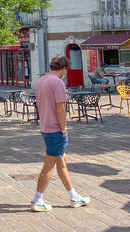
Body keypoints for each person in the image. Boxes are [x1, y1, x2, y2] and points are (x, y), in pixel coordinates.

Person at [31, 55, 90, 212]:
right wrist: (63, 129)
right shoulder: (57, 83)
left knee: (61, 162)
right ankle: (37, 199)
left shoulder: (42, 80)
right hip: (55, 129)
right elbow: (60, 108)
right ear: (64, 69)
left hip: (44, 125)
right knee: (49, 165)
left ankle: (74, 197)